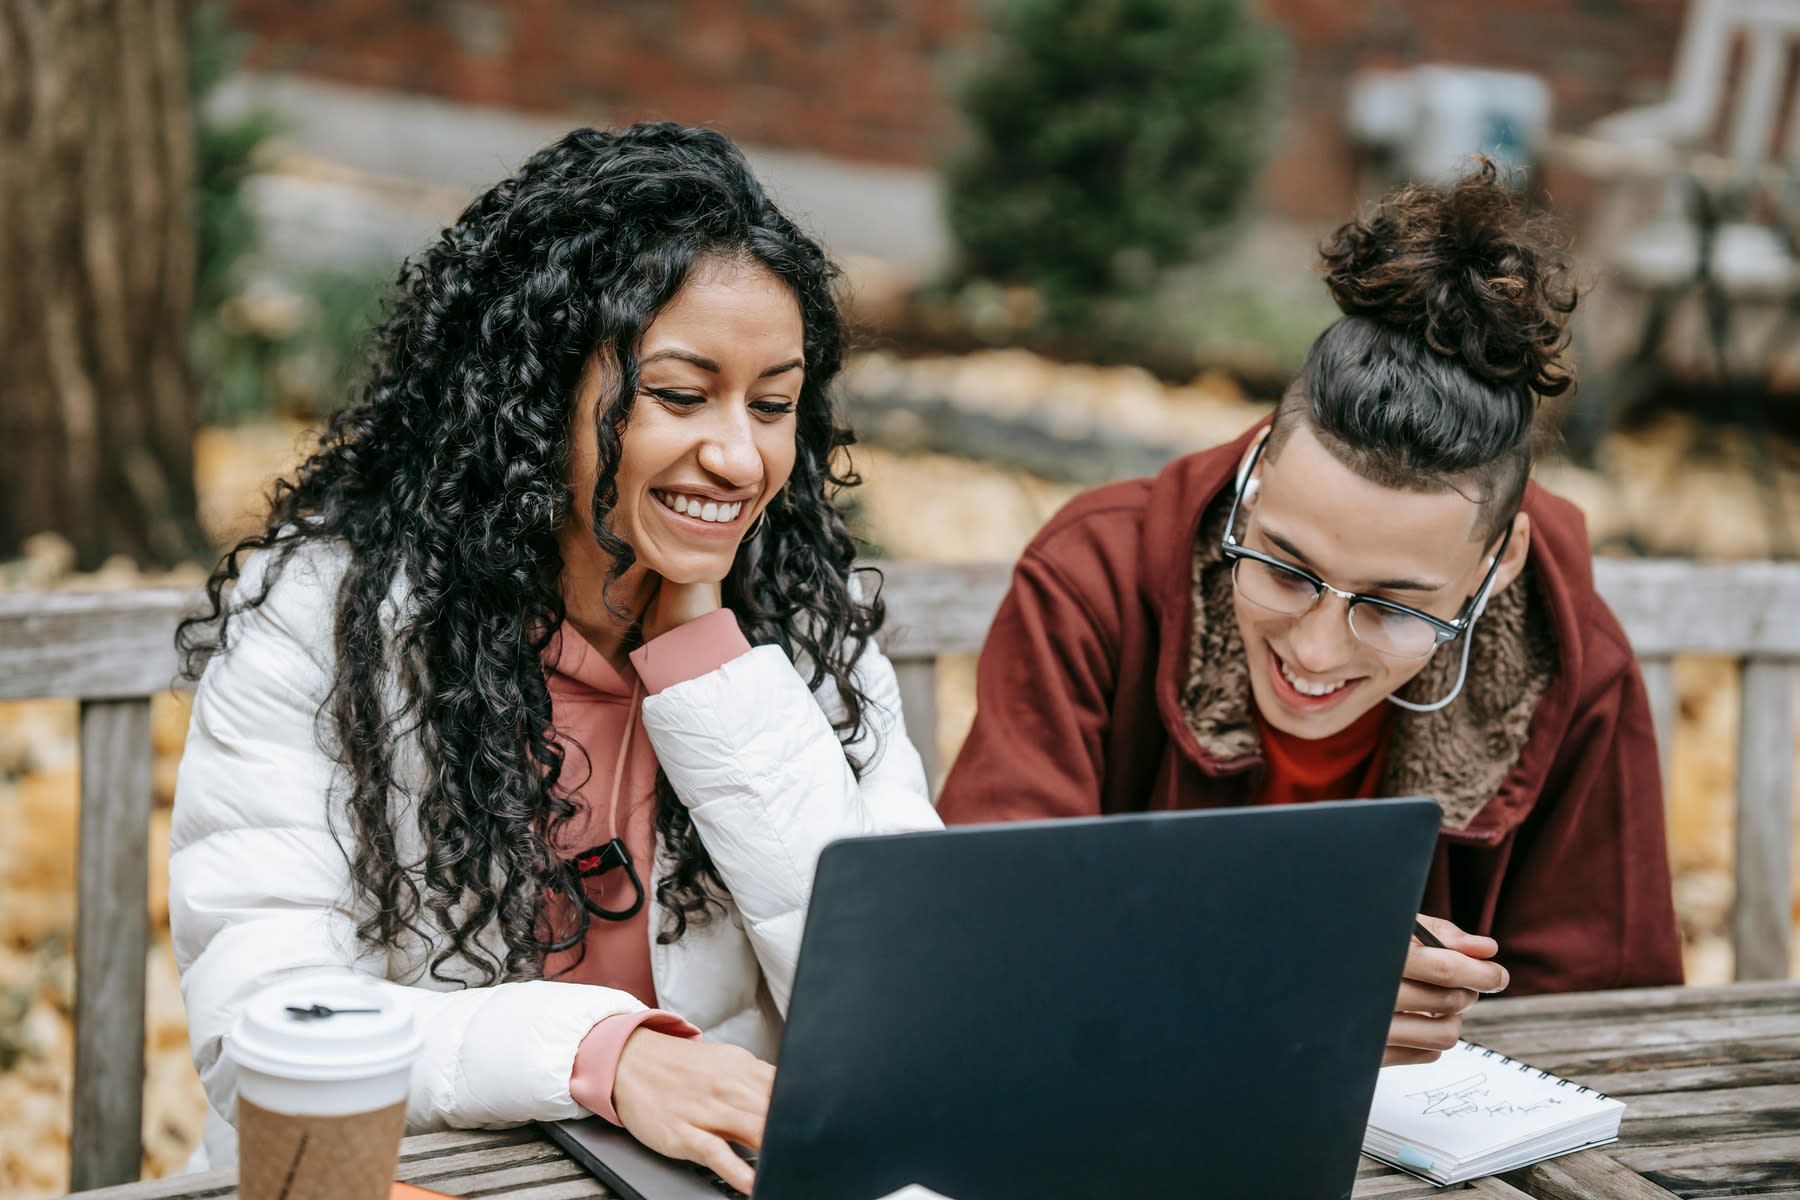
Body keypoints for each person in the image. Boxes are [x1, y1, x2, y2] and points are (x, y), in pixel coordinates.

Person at [170, 123, 938, 1192]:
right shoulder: (331, 621)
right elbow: (266, 1019)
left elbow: (904, 1015)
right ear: (539, 398)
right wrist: (604, 1057)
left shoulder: (807, 633)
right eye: (679, 394)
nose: (738, 454)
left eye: (772, 404)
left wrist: (711, 665)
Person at [937, 161, 1683, 1064]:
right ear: (1252, 485)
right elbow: (988, 927)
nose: (1318, 650)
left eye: (1395, 609)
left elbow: (1609, 1024)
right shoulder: (1095, 576)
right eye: (1286, 571)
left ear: (1501, 565)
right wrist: (1288, 973)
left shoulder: (1568, 656)